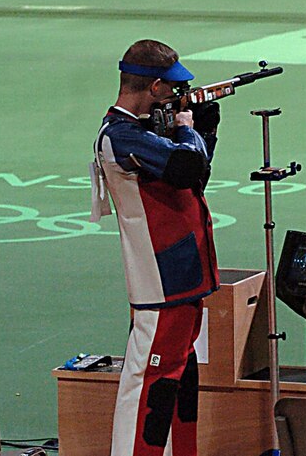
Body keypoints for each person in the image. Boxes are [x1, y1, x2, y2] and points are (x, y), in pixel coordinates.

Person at [91, 40, 221, 456]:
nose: (177, 94)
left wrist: (206, 132)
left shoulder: (143, 132)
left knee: (177, 385)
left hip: (182, 278)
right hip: (160, 282)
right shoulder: (120, 135)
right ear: (154, 88)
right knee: (147, 387)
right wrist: (188, 129)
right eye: (172, 87)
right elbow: (186, 166)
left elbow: (193, 181)